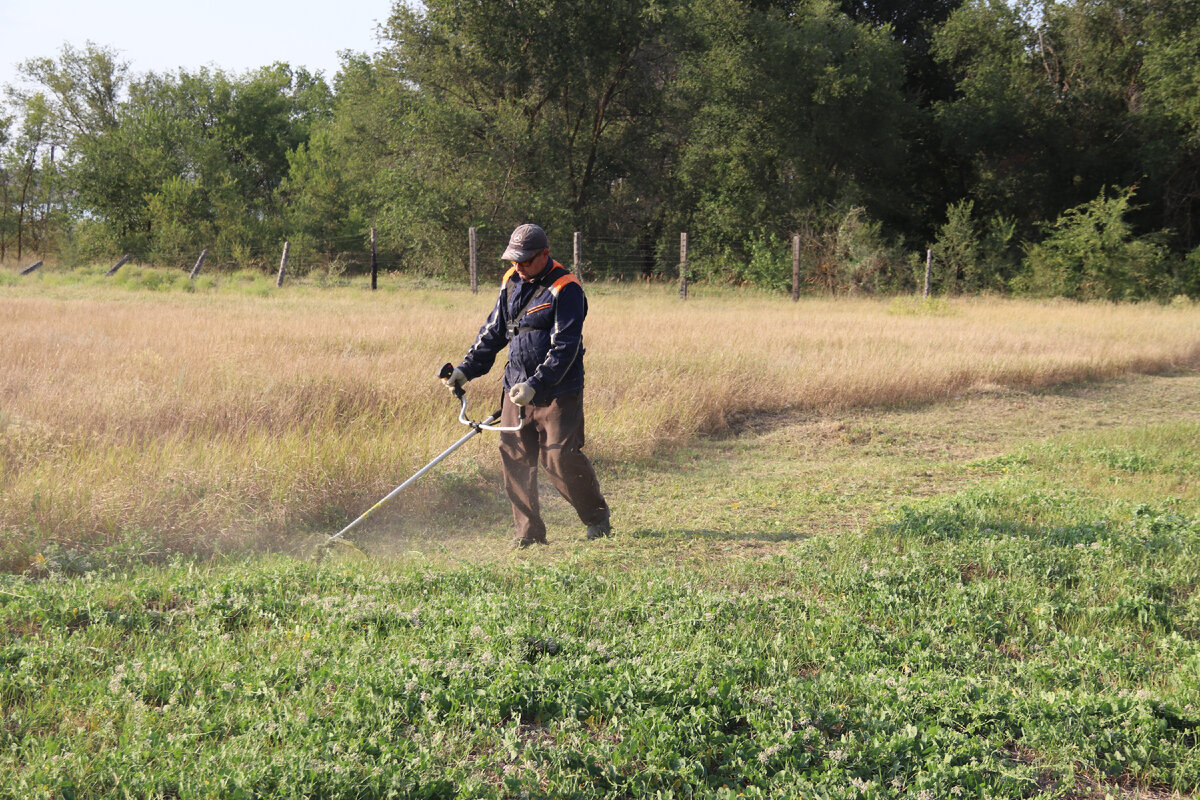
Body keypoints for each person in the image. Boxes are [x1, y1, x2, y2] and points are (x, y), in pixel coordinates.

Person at [443, 223, 611, 548]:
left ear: (544, 255)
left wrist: (536, 384)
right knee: (516, 457)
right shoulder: (510, 281)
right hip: (515, 386)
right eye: (513, 261)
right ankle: (529, 536)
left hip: (559, 390)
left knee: (559, 457)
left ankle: (596, 516)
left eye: (525, 261)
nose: (518, 267)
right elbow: (493, 332)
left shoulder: (566, 288)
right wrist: (465, 370)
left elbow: (566, 346)